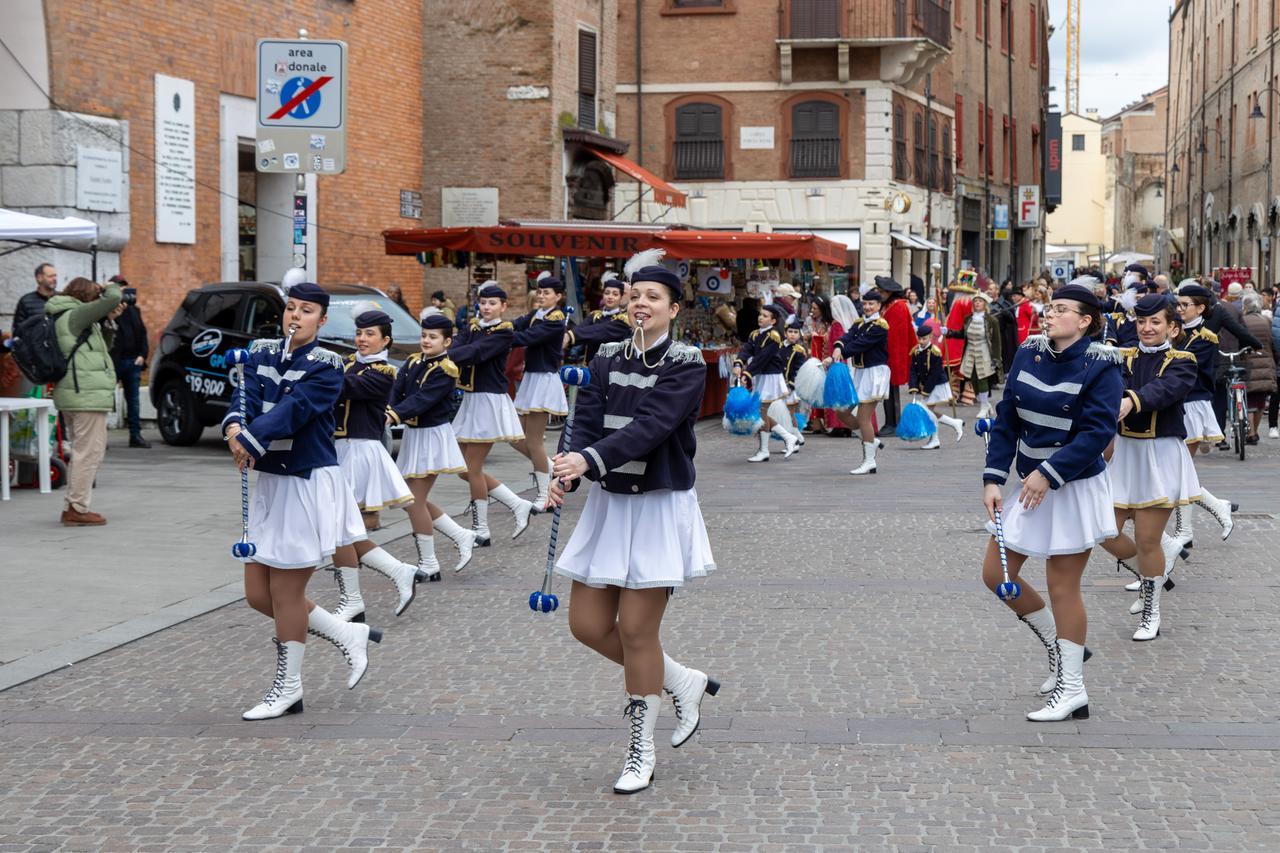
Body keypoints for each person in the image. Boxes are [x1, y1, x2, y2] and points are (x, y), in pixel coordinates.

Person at [547, 254, 718, 796]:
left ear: (673, 308)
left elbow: (652, 427)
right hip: (611, 504)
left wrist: (588, 462)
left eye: (653, 297)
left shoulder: (687, 363)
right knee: (586, 625)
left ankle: (640, 748)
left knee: (639, 632)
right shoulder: (603, 359)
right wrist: (565, 474)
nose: (641, 303)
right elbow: (584, 423)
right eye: (634, 294)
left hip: (657, 504)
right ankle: (680, 680)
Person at [223, 282, 383, 721]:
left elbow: (295, 409)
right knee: (258, 594)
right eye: (291, 308)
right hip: (271, 482)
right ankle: (346, 634)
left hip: (306, 481)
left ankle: (289, 689)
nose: (295, 316)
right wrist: (236, 427)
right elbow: (244, 397)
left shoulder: (328, 364)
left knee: (286, 592)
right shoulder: (260, 352)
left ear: (322, 319)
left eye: (306, 310)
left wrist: (252, 438)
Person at [981, 283, 1123, 722]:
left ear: (1084, 321)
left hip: (1073, 484)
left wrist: (1049, 473)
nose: (1050, 313)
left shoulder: (1101, 365)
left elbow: (1097, 433)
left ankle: (1073, 689)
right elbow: (1007, 418)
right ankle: (1060, 651)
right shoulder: (1030, 351)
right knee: (995, 574)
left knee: (1063, 587)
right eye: (1050, 306)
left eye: (1061, 310)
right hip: (1030, 483)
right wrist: (993, 477)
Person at [1099, 295, 1199, 641]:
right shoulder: (1122, 357)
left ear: (1172, 327)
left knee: (1146, 538)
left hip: (1160, 457)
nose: (1147, 328)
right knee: (1103, 530)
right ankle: (1151, 578)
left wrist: (1130, 399)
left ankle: (1151, 610)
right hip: (1126, 455)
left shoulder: (1183, 360)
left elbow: (1165, 390)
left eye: (1155, 322)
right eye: (1142, 322)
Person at [329, 306, 428, 623]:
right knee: (341, 529)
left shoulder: (382, 373)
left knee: (339, 531)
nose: (361, 339)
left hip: (360, 452)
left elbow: (344, 389)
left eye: (369, 334)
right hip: (339, 451)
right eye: (359, 333)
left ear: (385, 340)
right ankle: (397, 572)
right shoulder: (346, 364)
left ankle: (355, 599)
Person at [388, 310, 478, 574]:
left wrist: (394, 414)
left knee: (413, 500)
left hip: (432, 437)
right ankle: (461, 535)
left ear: (447, 342)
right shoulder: (414, 361)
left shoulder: (446, 369)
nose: (426, 341)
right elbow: (398, 391)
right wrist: (388, 409)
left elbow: (423, 400)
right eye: (424, 336)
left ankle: (429, 563)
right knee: (411, 498)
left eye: (433, 337)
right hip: (415, 437)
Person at [449, 281, 536, 544]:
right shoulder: (473, 327)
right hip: (472, 400)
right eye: (483, 303)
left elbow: (475, 353)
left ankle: (482, 529)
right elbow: (457, 345)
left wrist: (447, 355)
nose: (486, 307)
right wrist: (449, 350)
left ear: (503, 306)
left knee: (472, 468)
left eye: (492, 303)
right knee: (462, 469)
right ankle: (517, 503)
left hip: (489, 402)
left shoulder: (503, 332)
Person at [46, 277, 123, 526]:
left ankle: (73, 504)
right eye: (94, 295)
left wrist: (109, 320)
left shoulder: (72, 317)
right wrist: (110, 286)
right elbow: (113, 297)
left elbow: (101, 351)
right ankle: (76, 508)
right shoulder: (75, 314)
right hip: (85, 396)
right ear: (86, 296)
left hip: (78, 394)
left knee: (84, 452)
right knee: (88, 453)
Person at [1168, 284, 1233, 550]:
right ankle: (1216, 507)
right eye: (1178, 304)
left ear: (1200, 308)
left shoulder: (1205, 338)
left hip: (1193, 405)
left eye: (1185, 305)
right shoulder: (1176, 332)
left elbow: (1183, 367)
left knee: (1179, 472)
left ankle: (1186, 530)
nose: (1179, 309)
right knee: (1180, 472)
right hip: (1177, 405)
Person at [511, 272, 569, 507]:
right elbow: (518, 325)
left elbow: (529, 336)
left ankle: (545, 494)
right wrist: (495, 328)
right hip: (531, 378)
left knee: (534, 442)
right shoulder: (537, 313)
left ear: (558, 296)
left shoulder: (555, 318)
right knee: (515, 437)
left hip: (544, 380)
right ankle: (553, 468)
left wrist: (500, 338)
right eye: (540, 291)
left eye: (547, 292)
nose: (541, 295)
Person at [827, 290, 890, 475]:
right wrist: (838, 346)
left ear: (879, 305)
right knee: (842, 413)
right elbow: (848, 336)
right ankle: (870, 439)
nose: (868, 307)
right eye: (865, 304)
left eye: (872, 304)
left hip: (875, 374)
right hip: (861, 374)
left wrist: (838, 356)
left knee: (863, 418)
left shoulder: (881, 326)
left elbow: (860, 344)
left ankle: (869, 460)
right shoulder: (860, 322)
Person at [734, 302, 799, 462]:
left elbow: (763, 359)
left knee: (761, 412)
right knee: (761, 412)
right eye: (760, 314)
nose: (760, 318)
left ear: (773, 321)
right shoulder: (755, 334)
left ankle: (764, 450)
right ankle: (788, 438)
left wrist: (748, 373)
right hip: (760, 376)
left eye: (765, 316)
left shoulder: (774, 337)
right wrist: (738, 363)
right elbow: (747, 349)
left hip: (770, 376)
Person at [942, 291, 1002, 419]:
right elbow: (962, 334)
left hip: (984, 352)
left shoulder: (992, 321)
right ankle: (985, 403)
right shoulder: (968, 318)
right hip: (970, 352)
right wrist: (948, 332)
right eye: (975, 301)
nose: (977, 303)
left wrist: (996, 359)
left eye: (980, 301)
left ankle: (984, 406)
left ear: (984, 304)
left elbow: (996, 341)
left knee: (982, 378)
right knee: (972, 379)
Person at [107, 275, 150, 449]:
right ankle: (103, 437)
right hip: (114, 362)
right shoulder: (108, 310)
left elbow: (142, 333)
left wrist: (143, 354)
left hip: (133, 361)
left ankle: (135, 435)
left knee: (133, 401)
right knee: (106, 400)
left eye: (125, 288)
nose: (124, 291)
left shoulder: (134, 310)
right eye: (119, 288)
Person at [908, 324, 964, 448]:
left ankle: (936, 438)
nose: (921, 341)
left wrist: (926, 391)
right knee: (928, 411)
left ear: (930, 338)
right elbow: (913, 370)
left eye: (924, 339)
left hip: (937, 385)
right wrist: (913, 386)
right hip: (927, 385)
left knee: (927, 411)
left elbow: (935, 373)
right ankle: (953, 424)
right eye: (919, 338)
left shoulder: (935, 352)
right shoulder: (915, 351)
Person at [876, 276, 915, 436]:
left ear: (888, 292)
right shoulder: (890, 306)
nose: (879, 293)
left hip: (892, 355)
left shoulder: (898, 307)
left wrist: (891, 358)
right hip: (888, 354)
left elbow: (897, 337)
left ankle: (893, 423)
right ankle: (890, 422)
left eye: (881, 291)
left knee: (891, 391)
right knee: (888, 391)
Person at [566, 271, 631, 362]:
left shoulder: (624, 319)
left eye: (615, 294)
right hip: (590, 365)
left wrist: (571, 335)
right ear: (602, 295)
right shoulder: (595, 315)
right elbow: (581, 328)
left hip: (611, 369)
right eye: (607, 293)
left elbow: (601, 330)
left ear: (621, 297)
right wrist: (566, 336)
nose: (610, 297)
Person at [1240, 292, 1276, 444]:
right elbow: (1272, 341)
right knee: (1261, 400)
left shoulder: (1242, 321)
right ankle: (1255, 431)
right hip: (1266, 362)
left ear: (1245, 306)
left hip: (1248, 361)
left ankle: (1250, 433)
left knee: (1248, 399)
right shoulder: (1267, 320)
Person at [12, 262, 57, 335]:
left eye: (55, 275)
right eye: (50, 276)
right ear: (39, 278)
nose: (55, 279)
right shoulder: (26, 301)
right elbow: (18, 330)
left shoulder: (62, 298)